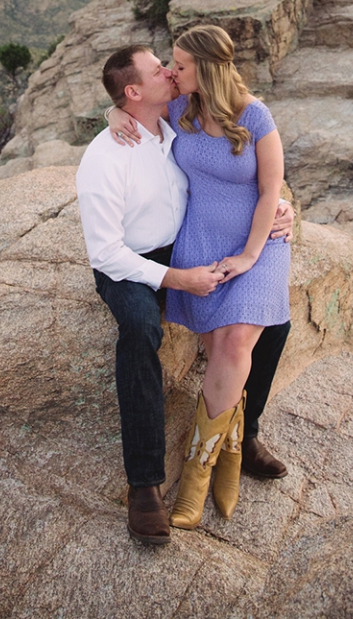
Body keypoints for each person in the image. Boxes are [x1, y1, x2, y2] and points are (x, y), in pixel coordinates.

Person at [76, 43, 293, 546]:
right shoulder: (107, 154)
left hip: (186, 244)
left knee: (272, 322)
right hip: (129, 263)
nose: (170, 73)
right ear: (135, 92)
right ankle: (145, 486)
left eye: (173, 65)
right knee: (139, 331)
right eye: (160, 69)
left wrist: (279, 205)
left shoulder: (174, 116)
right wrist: (177, 279)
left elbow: (250, 173)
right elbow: (105, 252)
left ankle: (244, 435)